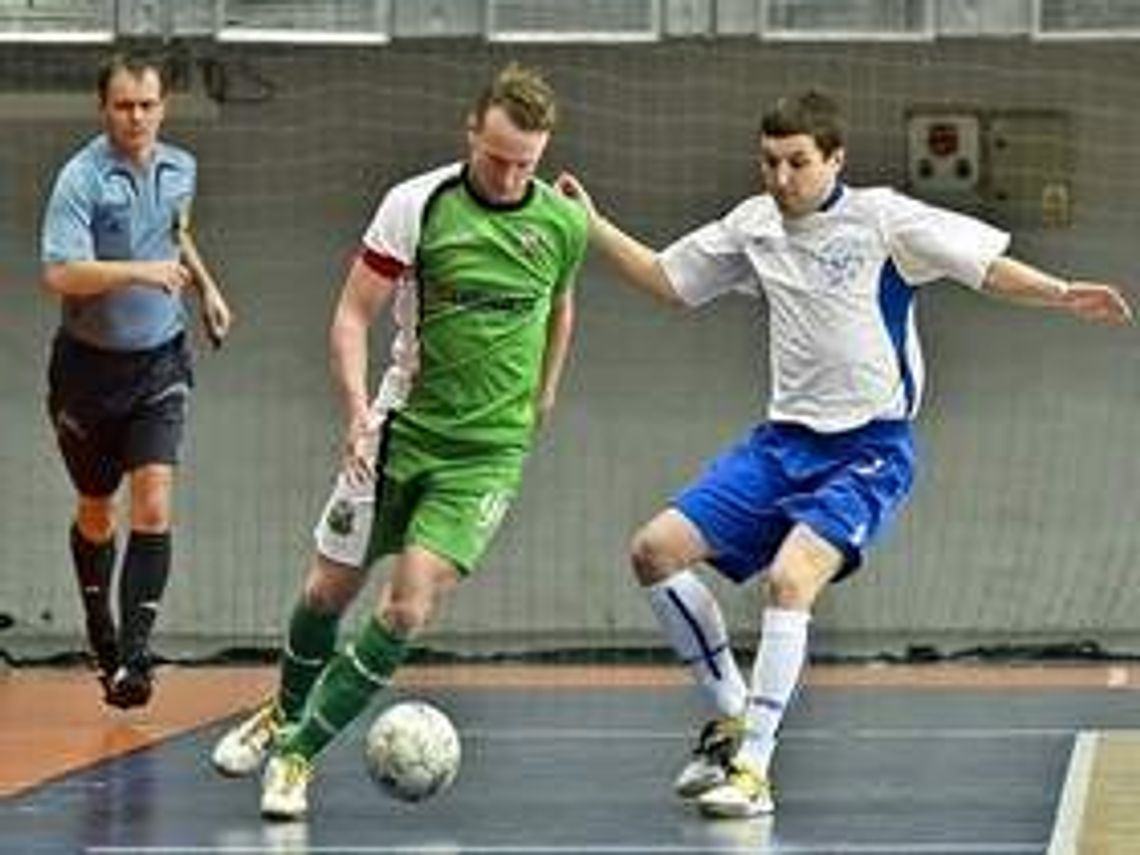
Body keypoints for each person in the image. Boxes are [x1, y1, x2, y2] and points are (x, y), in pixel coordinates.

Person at [556, 89, 1133, 818]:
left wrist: (1061, 292)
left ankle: (754, 771)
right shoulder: (753, 225)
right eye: (770, 162)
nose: (782, 177)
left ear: (835, 159)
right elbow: (671, 282)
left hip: (870, 450)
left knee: (792, 580)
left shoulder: (884, 218)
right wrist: (595, 224)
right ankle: (736, 717)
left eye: (798, 162)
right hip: (780, 444)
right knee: (653, 550)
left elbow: (982, 266)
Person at [210, 62, 588, 820]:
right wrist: (355, 410)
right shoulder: (417, 206)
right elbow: (353, 314)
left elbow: (561, 305)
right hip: (397, 432)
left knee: (407, 608)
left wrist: (545, 391)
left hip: (484, 454)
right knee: (325, 592)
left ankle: (296, 753)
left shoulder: (560, 221)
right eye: (498, 158)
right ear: (471, 132)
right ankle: (283, 710)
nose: (512, 177)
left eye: (527, 164)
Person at [41, 51, 233, 709]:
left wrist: (206, 288)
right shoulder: (81, 178)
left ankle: (134, 660)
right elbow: (61, 274)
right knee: (98, 508)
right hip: (88, 371)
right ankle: (102, 628)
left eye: (148, 104)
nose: (137, 116)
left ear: (163, 106)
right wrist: (137, 272)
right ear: (105, 108)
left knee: (153, 501)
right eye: (124, 105)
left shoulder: (182, 168)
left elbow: (175, 233)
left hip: (160, 360)